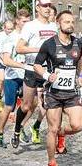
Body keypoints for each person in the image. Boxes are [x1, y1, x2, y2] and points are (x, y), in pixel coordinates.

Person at [34, 10, 82, 166]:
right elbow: (36, 65)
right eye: (66, 22)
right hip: (53, 93)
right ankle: (51, 161)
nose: (70, 24)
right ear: (58, 23)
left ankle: (62, 133)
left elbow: (80, 61)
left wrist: (80, 76)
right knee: (52, 129)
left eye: (72, 22)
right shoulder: (49, 44)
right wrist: (47, 76)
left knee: (77, 125)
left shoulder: (78, 43)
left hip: (71, 93)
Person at [11, 0, 57, 148]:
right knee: (26, 106)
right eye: (44, 5)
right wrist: (41, 49)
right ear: (37, 8)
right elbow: (19, 48)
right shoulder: (30, 26)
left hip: (48, 70)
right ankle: (17, 130)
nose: (47, 8)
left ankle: (56, 138)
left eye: (49, 5)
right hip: (32, 69)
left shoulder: (54, 27)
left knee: (52, 105)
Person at [0, 9, 31, 148]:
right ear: (17, 21)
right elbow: (6, 60)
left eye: (28, 21)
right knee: (9, 107)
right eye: (24, 22)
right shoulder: (10, 38)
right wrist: (23, 66)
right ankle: (0, 132)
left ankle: (19, 127)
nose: (27, 24)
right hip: (12, 77)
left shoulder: (28, 36)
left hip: (26, 76)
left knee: (32, 104)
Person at [0, 20, 14, 112]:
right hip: (0, 59)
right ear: (3, 28)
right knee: (2, 78)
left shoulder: (14, 35)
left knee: (8, 81)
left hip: (10, 60)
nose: (10, 31)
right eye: (8, 29)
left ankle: (5, 101)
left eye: (11, 29)